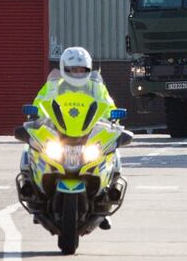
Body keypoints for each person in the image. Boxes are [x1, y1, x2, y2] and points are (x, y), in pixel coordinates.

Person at [21, 46, 119, 229]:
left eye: (82, 70)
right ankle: (32, 191)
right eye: (74, 69)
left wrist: (114, 119)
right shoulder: (53, 87)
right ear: (65, 68)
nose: (78, 73)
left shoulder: (96, 88)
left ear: (88, 70)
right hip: (61, 134)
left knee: (112, 150)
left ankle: (105, 199)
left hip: (87, 134)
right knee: (30, 149)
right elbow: (39, 106)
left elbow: (108, 107)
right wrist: (34, 117)